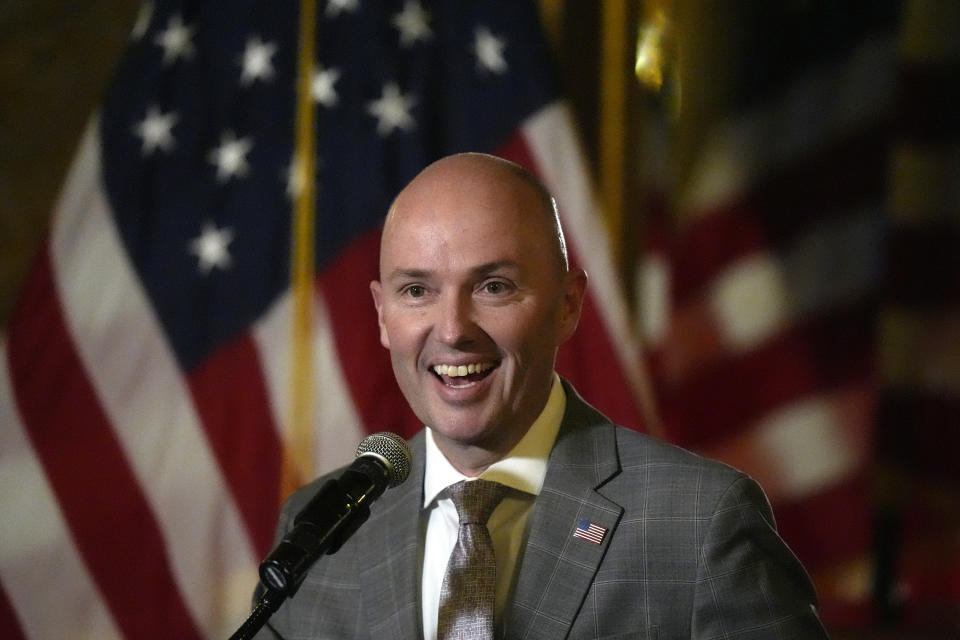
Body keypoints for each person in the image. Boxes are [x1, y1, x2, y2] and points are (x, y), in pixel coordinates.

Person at [255, 153, 829, 639]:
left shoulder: (703, 525)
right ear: (382, 315)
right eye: (417, 291)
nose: (452, 329)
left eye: (494, 286)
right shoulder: (318, 532)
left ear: (568, 304)